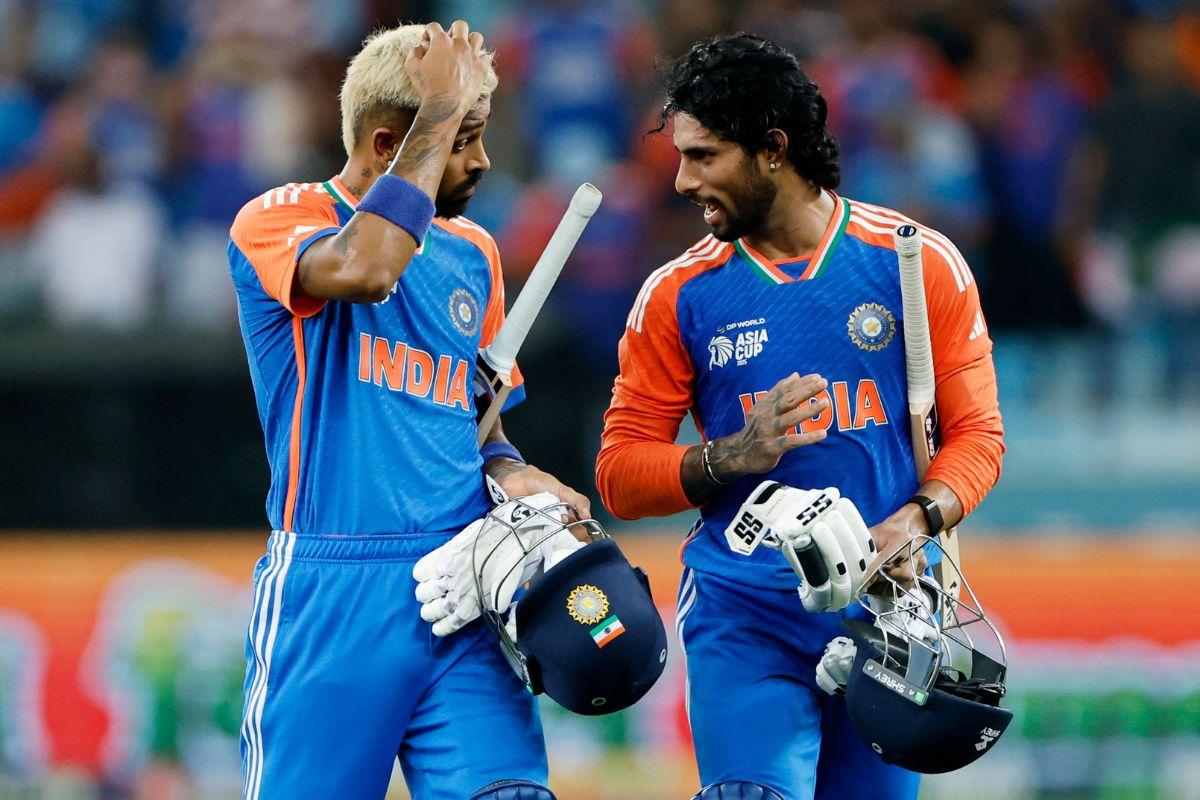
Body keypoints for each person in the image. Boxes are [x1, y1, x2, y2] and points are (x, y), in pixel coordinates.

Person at [595, 34, 1004, 800]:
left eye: (704, 156)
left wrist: (912, 522)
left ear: (773, 149)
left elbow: (979, 437)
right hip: (744, 610)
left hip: (887, 610)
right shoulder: (677, 294)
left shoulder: (913, 263)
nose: (682, 180)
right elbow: (619, 475)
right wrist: (729, 455)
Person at [226, 21, 587, 800]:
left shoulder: (475, 252)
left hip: (462, 586)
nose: (483, 161)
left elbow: (477, 422)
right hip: (332, 590)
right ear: (392, 144)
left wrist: (512, 471)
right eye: (465, 138)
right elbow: (365, 269)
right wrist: (438, 112)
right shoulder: (281, 217)